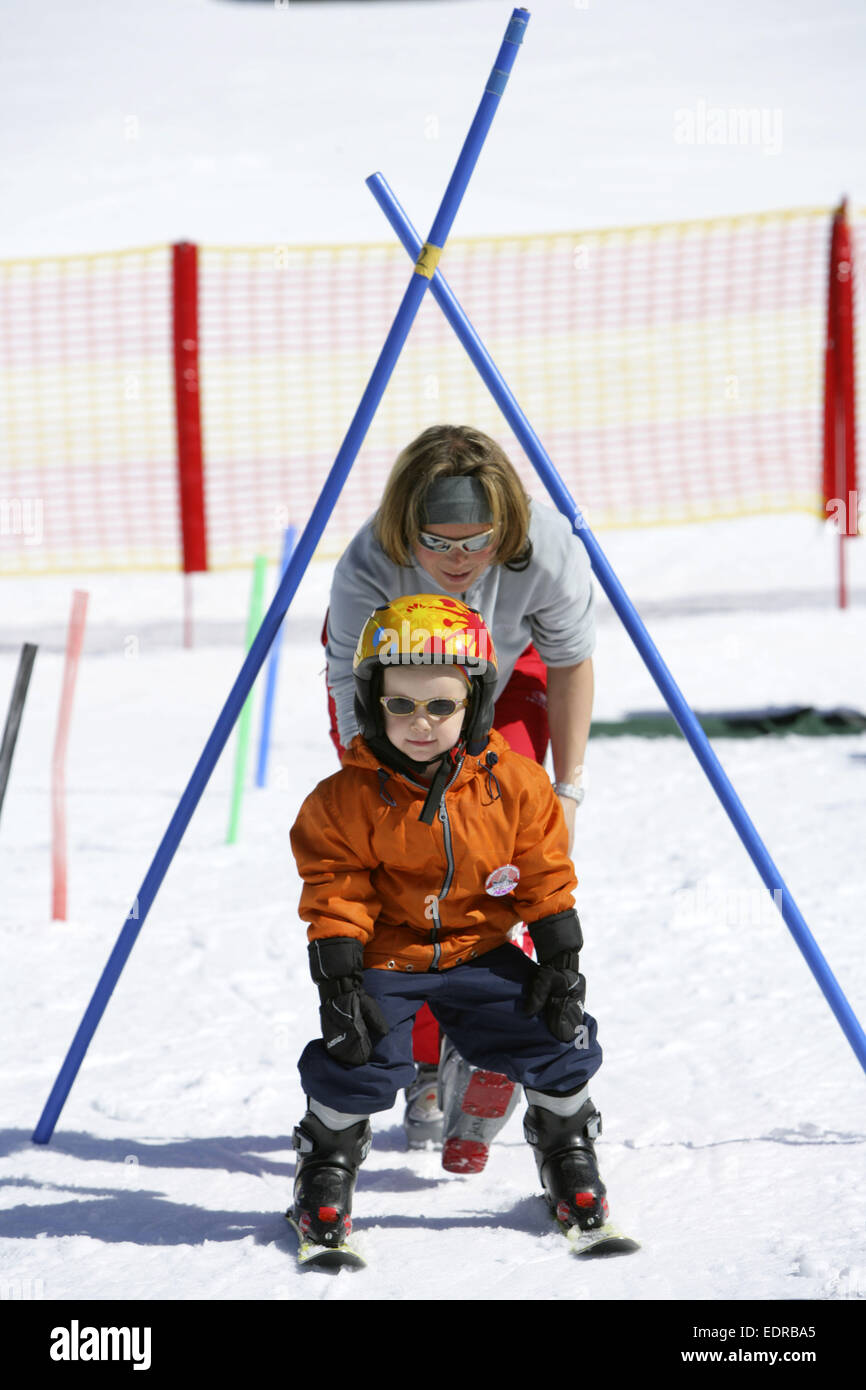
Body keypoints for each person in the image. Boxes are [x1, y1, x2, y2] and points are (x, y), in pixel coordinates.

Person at [289, 595, 608, 1255]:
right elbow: (336, 888)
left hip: (479, 952)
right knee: (362, 1057)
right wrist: (340, 980)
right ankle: (326, 1164)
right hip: (388, 958)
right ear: (374, 702)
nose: (421, 723)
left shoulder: (515, 785)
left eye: (441, 706)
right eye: (401, 705)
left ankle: (567, 1151)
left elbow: (543, 871)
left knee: (559, 1035)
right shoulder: (345, 798)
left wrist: (558, 957)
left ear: (475, 706)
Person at [322, 424, 596, 1162]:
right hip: (393, 695)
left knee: (504, 853)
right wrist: (382, 794)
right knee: (407, 866)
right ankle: (419, 1059)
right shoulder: (369, 563)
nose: (458, 559)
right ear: (405, 528)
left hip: (498, 682)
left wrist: (565, 790)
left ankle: (508, 1032)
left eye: (476, 540)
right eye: (436, 543)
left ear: (505, 524)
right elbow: (351, 684)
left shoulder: (547, 548)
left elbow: (571, 662)